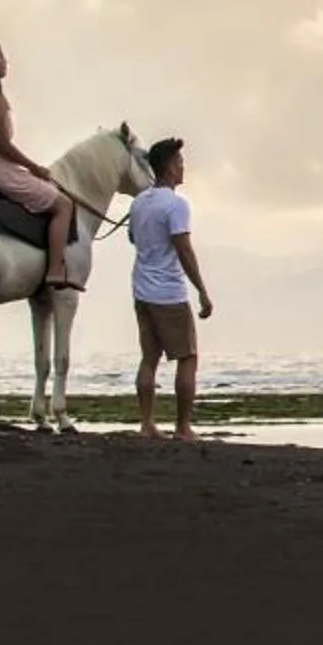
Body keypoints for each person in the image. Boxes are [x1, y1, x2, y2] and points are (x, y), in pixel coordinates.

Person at [0, 39, 80, 293]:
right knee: (63, 204)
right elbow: (3, 146)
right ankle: (55, 270)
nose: (5, 61)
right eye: (0, 57)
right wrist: (34, 168)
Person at [127, 137, 214, 440]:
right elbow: (184, 250)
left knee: (149, 357)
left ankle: (147, 423)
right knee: (187, 357)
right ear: (167, 167)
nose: (183, 167)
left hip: (141, 289)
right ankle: (183, 427)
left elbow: (133, 239)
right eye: (179, 162)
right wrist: (202, 290)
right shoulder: (176, 205)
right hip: (169, 292)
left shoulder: (138, 202)